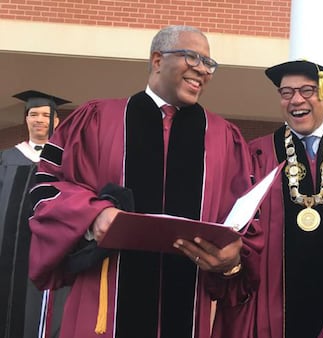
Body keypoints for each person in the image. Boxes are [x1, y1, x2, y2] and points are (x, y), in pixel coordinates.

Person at [27, 25, 262, 338]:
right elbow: (47, 185)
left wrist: (232, 258)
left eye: (209, 64)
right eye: (193, 58)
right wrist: (92, 214)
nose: (202, 70)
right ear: (156, 60)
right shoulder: (97, 120)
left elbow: (247, 221)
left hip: (189, 308)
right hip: (106, 308)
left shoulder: (224, 138)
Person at [212, 60, 323, 338]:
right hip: (275, 298)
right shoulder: (256, 155)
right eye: (286, 93)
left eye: (307, 90)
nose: (296, 100)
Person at [0, 90, 69, 338]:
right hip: (8, 246)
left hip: (48, 246)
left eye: (45, 115)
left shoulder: (66, 161)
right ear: (26, 119)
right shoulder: (7, 157)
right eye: (33, 114)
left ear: (56, 122)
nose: (39, 119)